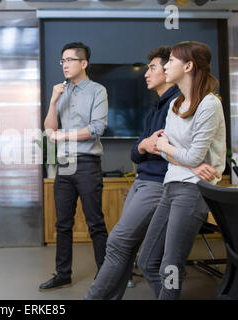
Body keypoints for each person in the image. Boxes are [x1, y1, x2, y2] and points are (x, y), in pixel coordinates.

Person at [84, 46, 181, 300]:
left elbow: (164, 151)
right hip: (143, 181)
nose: (146, 73)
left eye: (152, 68)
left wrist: (147, 147)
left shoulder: (177, 105)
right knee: (124, 249)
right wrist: (143, 145)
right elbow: (136, 153)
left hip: (157, 185)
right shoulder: (155, 108)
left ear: (169, 70)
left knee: (116, 244)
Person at [137, 41, 226, 300]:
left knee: (170, 266)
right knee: (147, 261)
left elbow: (177, 150)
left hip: (193, 191)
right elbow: (167, 152)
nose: (166, 65)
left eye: (172, 61)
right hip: (171, 185)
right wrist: (188, 160)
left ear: (188, 66)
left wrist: (175, 152)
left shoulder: (210, 104)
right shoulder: (176, 103)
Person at [39, 42, 108, 291]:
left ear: (83, 63)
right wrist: (53, 100)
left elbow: (97, 129)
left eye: (70, 60)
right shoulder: (61, 91)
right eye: (63, 61)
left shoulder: (98, 91)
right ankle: (63, 274)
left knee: (95, 223)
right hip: (65, 165)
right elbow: (49, 129)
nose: (65, 65)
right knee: (63, 224)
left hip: (87, 163)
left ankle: (105, 275)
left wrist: (63, 136)